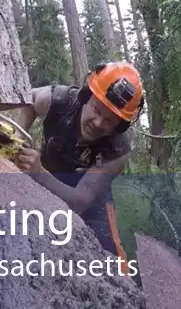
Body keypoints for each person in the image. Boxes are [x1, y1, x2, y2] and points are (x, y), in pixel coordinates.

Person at [13, 61, 145, 272]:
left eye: (110, 121)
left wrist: (38, 174)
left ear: (120, 126)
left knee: (112, 257)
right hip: (47, 176)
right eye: (97, 110)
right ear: (85, 97)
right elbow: (31, 99)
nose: (99, 123)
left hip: (90, 196)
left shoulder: (118, 150)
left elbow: (80, 202)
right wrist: (17, 138)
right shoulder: (60, 99)